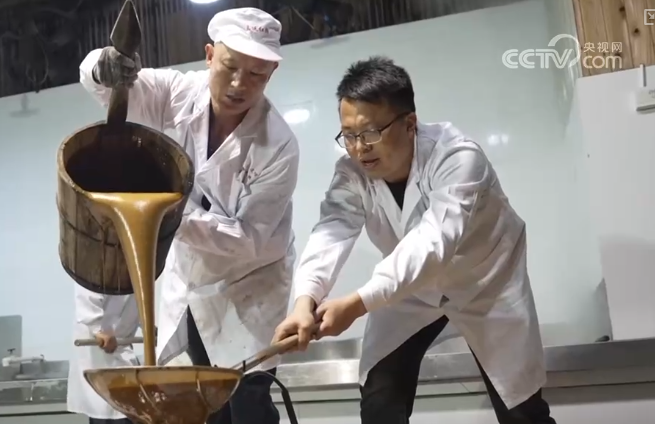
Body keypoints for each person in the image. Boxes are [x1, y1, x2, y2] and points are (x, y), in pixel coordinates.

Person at [272, 56, 557, 424]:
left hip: (486, 285)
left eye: (370, 133)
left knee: (522, 412)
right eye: (349, 135)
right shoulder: (351, 173)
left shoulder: (457, 158)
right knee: (380, 398)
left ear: (409, 123)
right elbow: (331, 231)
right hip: (409, 292)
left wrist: (357, 304)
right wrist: (305, 301)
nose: (359, 148)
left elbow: (433, 243)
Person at [79, 7, 299, 424]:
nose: (239, 84)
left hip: (250, 285)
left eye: (257, 74)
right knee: (193, 398)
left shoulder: (278, 145)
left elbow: (249, 239)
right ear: (209, 55)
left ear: (271, 72)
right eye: (230, 67)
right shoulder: (177, 92)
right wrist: (101, 65)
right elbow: (107, 87)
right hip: (189, 281)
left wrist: (170, 212)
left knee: (246, 400)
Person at [67, 285, 141, 424]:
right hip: (99, 346)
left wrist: (149, 325)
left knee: (126, 408)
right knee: (106, 408)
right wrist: (98, 329)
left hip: (121, 345)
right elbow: (87, 289)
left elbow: (137, 298)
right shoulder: (96, 271)